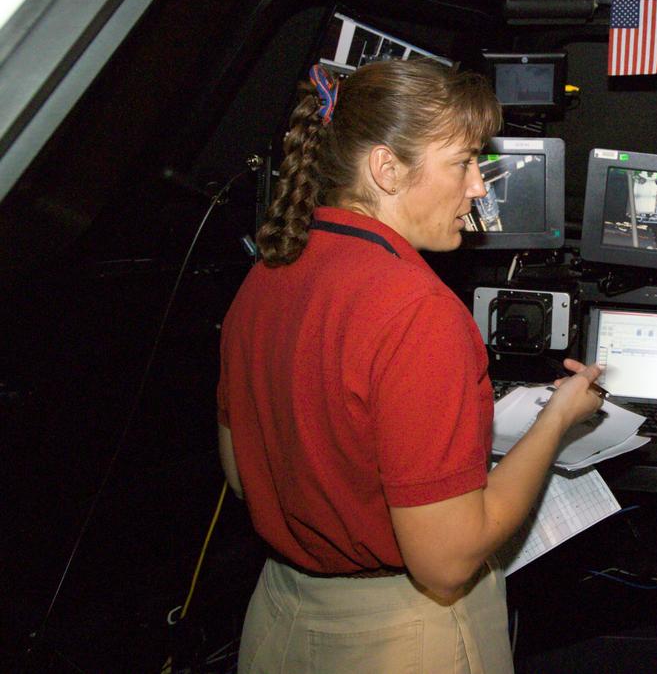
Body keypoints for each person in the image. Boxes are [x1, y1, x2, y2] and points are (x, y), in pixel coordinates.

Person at [216, 58, 603, 673]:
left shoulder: (264, 278)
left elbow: (242, 476)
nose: (479, 187)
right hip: (396, 637)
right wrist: (555, 421)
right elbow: (447, 563)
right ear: (386, 168)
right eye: (463, 163)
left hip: (279, 619)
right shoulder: (419, 312)